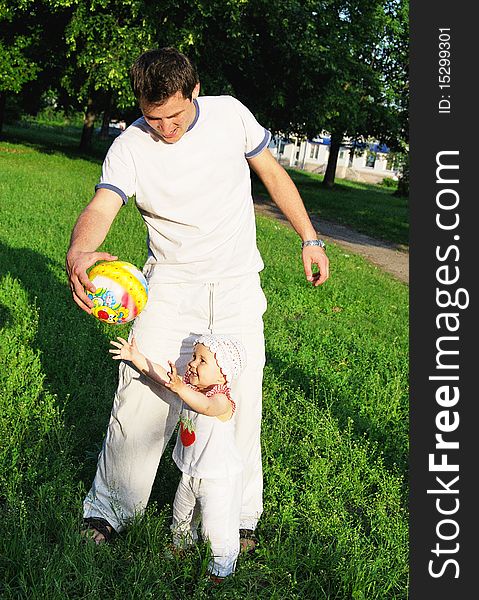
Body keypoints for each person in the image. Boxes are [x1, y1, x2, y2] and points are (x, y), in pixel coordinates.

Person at [66, 47, 329, 548]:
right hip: (168, 285)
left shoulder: (231, 115)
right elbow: (103, 204)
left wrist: (309, 238)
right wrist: (80, 251)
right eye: (152, 117)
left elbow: (272, 173)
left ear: (196, 91)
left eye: (174, 115)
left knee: (240, 400)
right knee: (143, 394)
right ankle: (109, 512)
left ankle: (240, 516)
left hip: (234, 286)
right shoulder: (131, 146)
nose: (163, 127)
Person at [108, 333, 247, 580]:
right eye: (194, 357)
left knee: (217, 528)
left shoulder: (222, 400)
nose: (192, 363)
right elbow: (162, 377)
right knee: (182, 513)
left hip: (218, 480)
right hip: (191, 472)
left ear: (223, 373)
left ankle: (221, 569)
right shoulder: (190, 388)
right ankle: (182, 544)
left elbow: (205, 407)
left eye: (202, 360)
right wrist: (136, 357)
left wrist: (181, 387)